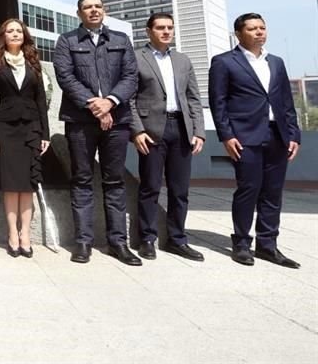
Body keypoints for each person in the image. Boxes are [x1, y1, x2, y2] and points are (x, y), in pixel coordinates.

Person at [209, 13, 301, 268]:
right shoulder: (224, 62)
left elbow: (286, 102)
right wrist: (226, 135)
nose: (259, 32)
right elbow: (218, 104)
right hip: (244, 136)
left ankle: (268, 246)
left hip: (277, 135)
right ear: (239, 34)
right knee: (248, 189)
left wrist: (293, 134)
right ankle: (241, 244)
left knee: (273, 193)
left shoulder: (277, 62)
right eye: (252, 29)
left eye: (262, 27)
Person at [53, 0, 140, 265]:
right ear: (78, 13)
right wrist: (94, 105)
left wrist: (110, 102)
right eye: (88, 7)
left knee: (114, 181)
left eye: (98, 7)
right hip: (80, 120)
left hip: (117, 119)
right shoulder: (67, 41)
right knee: (82, 179)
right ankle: (83, 242)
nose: (94, 11)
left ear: (105, 11)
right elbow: (65, 77)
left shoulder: (120, 40)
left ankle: (118, 242)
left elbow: (131, 76)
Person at [129, 13, 206, 261]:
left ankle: (177, 239)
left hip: (181, 130)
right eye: (160, 28)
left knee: (180, 189)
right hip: (151, 132)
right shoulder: (136, 57)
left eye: (170, 27)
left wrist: (199, 132)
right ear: (148, 31)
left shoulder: (183, 60)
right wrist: (137, 130)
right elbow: (129, 98)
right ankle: (148, 239)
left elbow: (194, 98)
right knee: (150, 187)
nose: (166, 32)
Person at [0, 19, 50, 258]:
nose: (15, 34)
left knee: (28, 185)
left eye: (18, 31)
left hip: (31, 129)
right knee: (11, 185)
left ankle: (26, 235)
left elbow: (41, 100)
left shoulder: (34, 63)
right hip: (6, 129)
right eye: (10, 31)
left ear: (24, 36)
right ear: (3, 36)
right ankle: (12, 234)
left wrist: (46, 133)